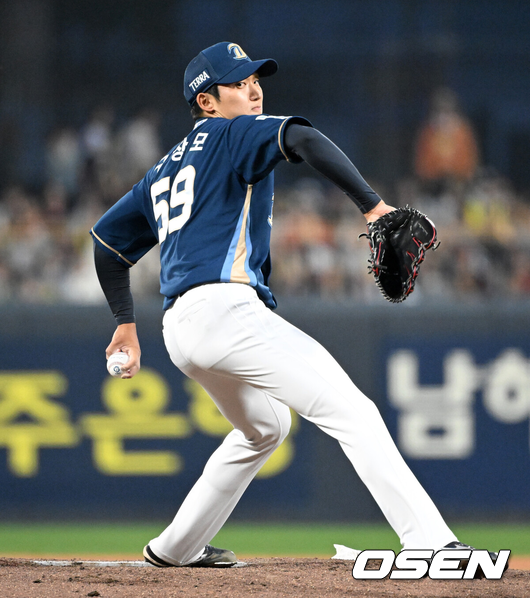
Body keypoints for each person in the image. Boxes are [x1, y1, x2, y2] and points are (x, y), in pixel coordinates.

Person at [91, 42, 480, 567]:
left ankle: (174, 548)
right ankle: (432, 545)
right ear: (207, 101)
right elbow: (302, 136)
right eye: (238, 83)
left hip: (180, 328)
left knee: (265, 428)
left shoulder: (161, 170)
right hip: (225, 311)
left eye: (255, 80)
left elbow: (107, 246)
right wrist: (374, 207)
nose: (253, 90)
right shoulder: (231, 132)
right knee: (353, 411)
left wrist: (124, 323)